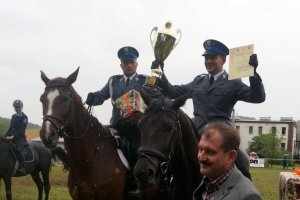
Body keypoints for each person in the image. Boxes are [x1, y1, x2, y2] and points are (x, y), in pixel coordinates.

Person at [159, 39, 265, 179]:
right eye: (206, 58)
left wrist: (253, 74)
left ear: (223, 60)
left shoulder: (233, 82)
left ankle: (244, 185)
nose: (208, 61)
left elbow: (257, 97)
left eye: (213, 57)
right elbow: (173, 92)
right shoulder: (198, 81)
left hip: (222, 134)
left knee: (241, 159)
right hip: (196, 133)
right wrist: (160, 72)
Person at [85, 46, 155, 198]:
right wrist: (92, 98)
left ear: (136, 63)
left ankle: (136, 185)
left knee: (139, 153)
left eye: (131, 62)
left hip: (138, 129)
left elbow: (155, 102)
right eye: (125, 62)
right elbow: (101, 96)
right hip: (116, 128)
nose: (128, 65)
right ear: (121, 65)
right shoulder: (113, 81)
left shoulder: (145, 81)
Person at [193, 122, 262, 200]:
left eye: (210, 151)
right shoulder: (207, 182)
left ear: (230, 156)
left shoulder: (247, 196)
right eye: (200, 149)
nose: (201, 157)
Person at [5, 99, 28, 175]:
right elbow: (10, 128)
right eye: (16, 107)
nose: (17, 108)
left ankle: (23, 167)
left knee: (18, 149)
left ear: (21, 107)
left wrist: (13, 137)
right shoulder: (13, 116)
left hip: (20, 138)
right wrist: (5, 136)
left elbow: (22, 130)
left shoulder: (24, 117)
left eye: (18, 107)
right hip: (11, 136)